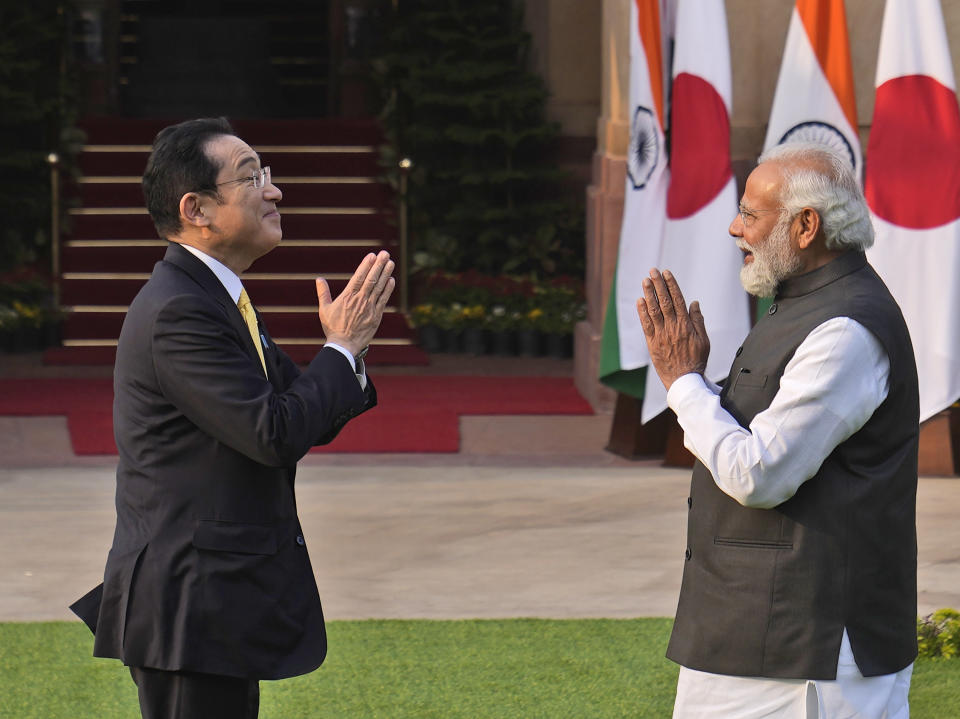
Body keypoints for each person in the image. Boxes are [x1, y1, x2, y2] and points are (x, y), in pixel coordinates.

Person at [70, 117, 395, 719]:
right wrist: (341, 349)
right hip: (189, 601)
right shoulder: (180, 311)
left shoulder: (218, 296)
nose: (273, 190)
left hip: (216, 599)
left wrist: (348, 352)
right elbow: (274, 434)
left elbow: (303, 418)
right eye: (251, 177)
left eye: (266, 174)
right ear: (196, 208)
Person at [636, 142, 919, 718]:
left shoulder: (845, 330)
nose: (735, 228)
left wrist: (684, 383)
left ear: (805, 226)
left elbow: (759, 474)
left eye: (751, 214)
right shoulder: (802, 305)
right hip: (755, 631)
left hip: (806, 647)